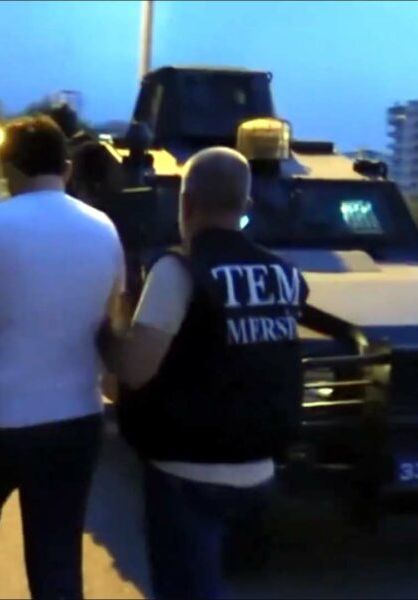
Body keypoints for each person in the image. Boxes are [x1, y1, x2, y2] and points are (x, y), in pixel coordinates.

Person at [0, 115, 125, 600]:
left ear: (9, 171)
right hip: (73, 421)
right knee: (57, 561)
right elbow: (108, 322)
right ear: (66, 167)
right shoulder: (103, 230)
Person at [107, 147, 308, 600]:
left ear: (186, 203)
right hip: (259, 471)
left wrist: (105, 329)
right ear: (246, 206)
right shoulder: (283, 274)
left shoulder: (178, 271)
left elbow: (135, 369)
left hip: (188, 474)